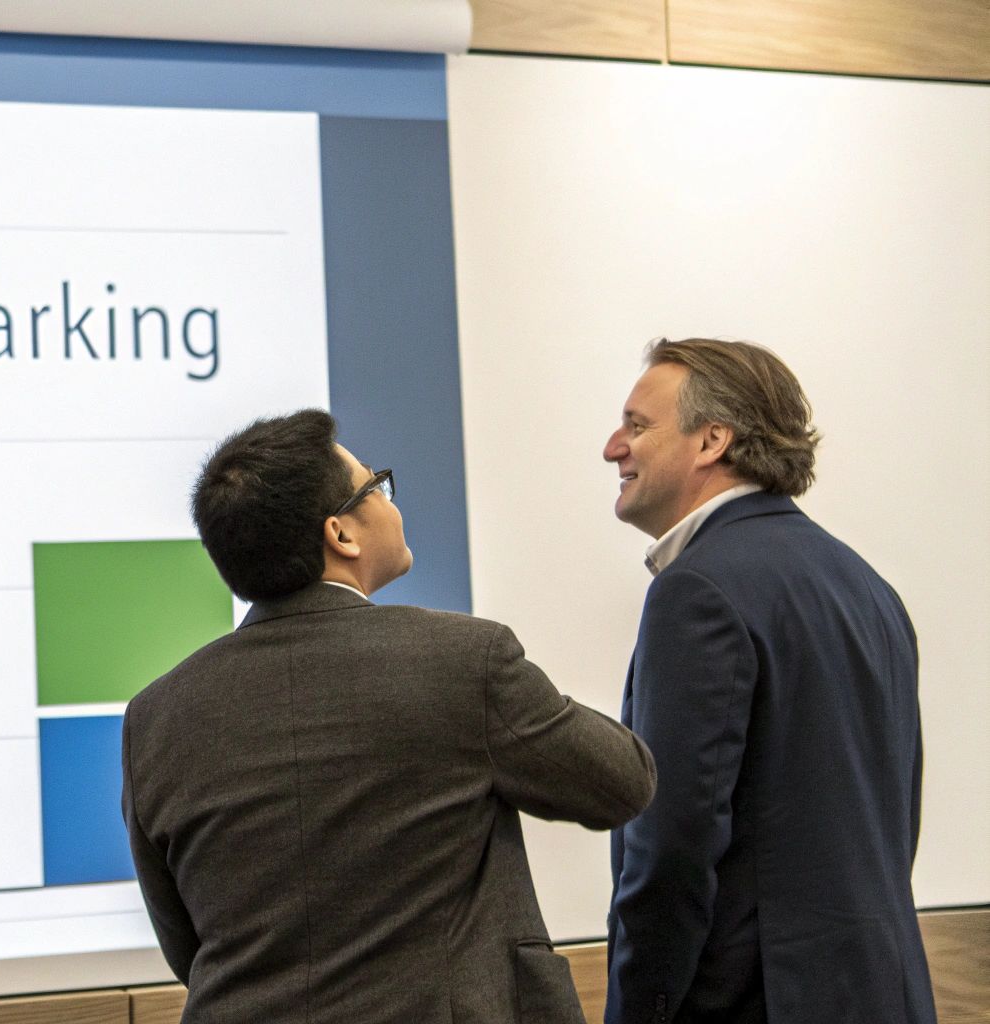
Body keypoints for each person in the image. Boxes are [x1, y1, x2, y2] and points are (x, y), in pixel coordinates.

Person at [122, 409, 655, 1024]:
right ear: (341, 535)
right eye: (376, 486)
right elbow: (623, 782)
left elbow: (186, 948)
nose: (390, 501)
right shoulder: (462, 661)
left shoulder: (153, 718)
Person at [601, 338, 935, 1024]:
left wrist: (641, 1009)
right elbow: (890, 825)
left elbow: (671, 849)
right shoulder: (870, 588)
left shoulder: (696, 590)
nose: (613, 448)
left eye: (637, 425)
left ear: (711, 440)